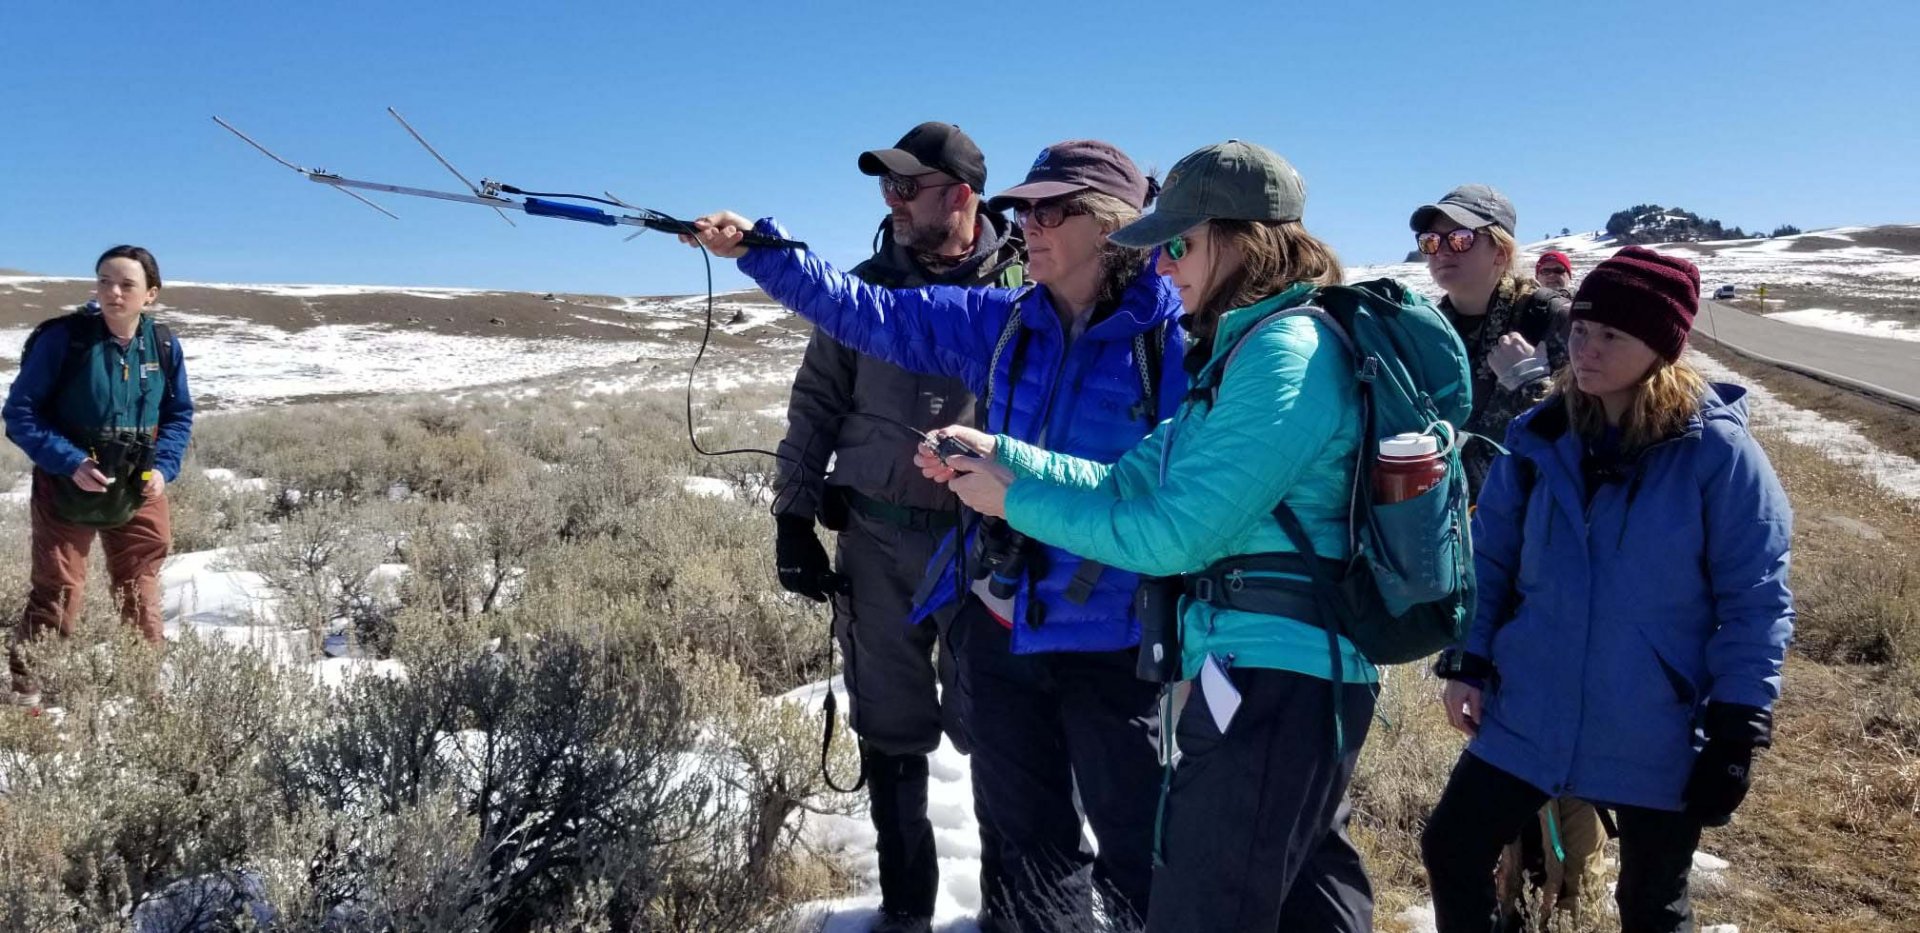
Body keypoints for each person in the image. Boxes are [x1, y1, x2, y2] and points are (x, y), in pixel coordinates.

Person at [686, 139, 1185, 931]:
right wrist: (761, 250)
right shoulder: (1006, 321)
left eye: (1051, 208)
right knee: (1029, 843)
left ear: (1111, 224)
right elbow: (865, 313)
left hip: (1117, 643)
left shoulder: (1175, 343)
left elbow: (1184, 502)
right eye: (1025, 207)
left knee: (1138, 848)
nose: (1029, 223)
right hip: (1003, 617)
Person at [920, 140, 1377, 932]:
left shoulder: (1285, 356)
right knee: (1299, 892)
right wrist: (1009, 457)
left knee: (1215, 905)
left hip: (1280, 676)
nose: (1162, 267)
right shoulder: (1243, 348)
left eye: (1179, 243)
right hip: (1258, 667)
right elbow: (1131, 478)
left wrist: (1015, 504)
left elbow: (1173, 535)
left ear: (1244, 239)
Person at [1423, 246, 1794, 933]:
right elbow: (1492, 557)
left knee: (1651, 904)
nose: (1585, 350)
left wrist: (1740, 726)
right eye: (1582, 332)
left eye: (1611, 336)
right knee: (1452, 845)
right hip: (1532, 707)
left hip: (1654, 722)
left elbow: (1757, 597)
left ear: (1661, 346)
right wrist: (1467, 659)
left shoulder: (1716, 452)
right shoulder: (1541, 436)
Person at [772, 121, 1023, 933]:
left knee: (1007, 732)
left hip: (994, 544)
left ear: (961, 194)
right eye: (886, 186)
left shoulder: (1028, 290)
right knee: (889, 727)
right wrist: (794, 513)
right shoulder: (863, 289)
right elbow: (815, 403)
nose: (892, 200)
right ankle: (907, 908)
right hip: (877, 542)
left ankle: (1016, 910)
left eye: (906, 186)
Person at [5, 245, 194, 706]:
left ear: (150, 294)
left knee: (140, 584)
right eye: (104, 281)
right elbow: (20, 413)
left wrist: (163, 468)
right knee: (58, 585)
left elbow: (177, 414)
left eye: (126, 284)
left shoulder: (164, 344)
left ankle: (147, 687)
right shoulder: (64, 339)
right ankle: (26, 694)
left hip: (138, 480)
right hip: (67, 479)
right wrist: (70, 461)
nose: (113, 292)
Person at [1411, 185, 1571, 501]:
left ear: (1501, 252)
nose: (1442, 251)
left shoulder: (1550, 319)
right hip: (1449, 520)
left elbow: (1589, 433)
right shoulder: (1425, 330)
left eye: (1460, 239)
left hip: (1531, 517)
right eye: (1431, 241)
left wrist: (1530, 383)